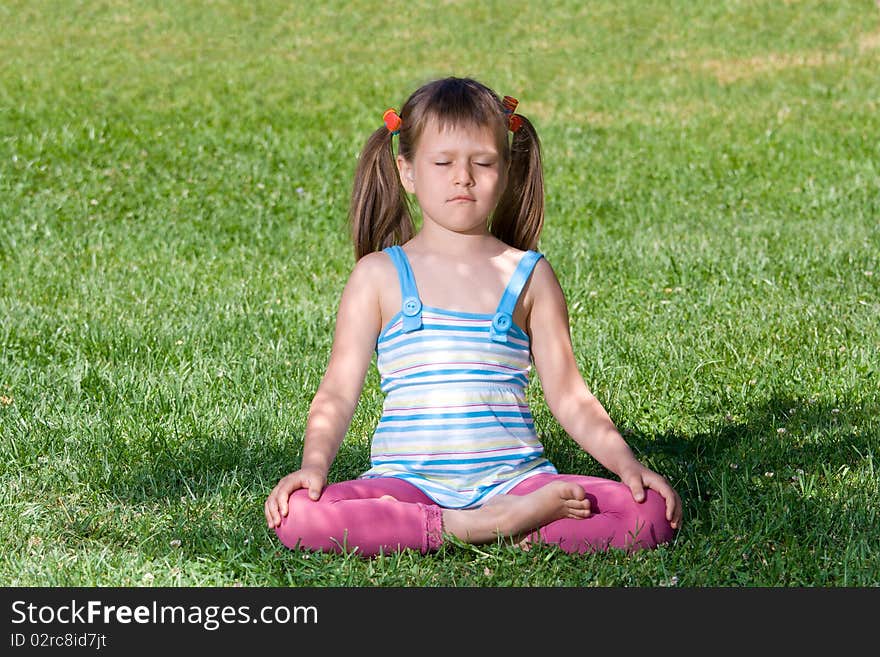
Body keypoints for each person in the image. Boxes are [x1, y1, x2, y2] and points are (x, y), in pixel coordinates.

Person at [265, 77, 682, 557]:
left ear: (505, 171)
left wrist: (628, 466)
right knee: (299, 515)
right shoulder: (378, 276)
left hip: (516, 481)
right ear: (408, 172)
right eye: (442, 163)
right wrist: (313, 466)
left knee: (650, 513)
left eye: (482, 163)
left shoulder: (529, 275)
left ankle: (484, 520)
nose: (463, 177)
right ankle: (477, 527)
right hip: (406, 484)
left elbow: (569, 395)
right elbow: (338, 391)